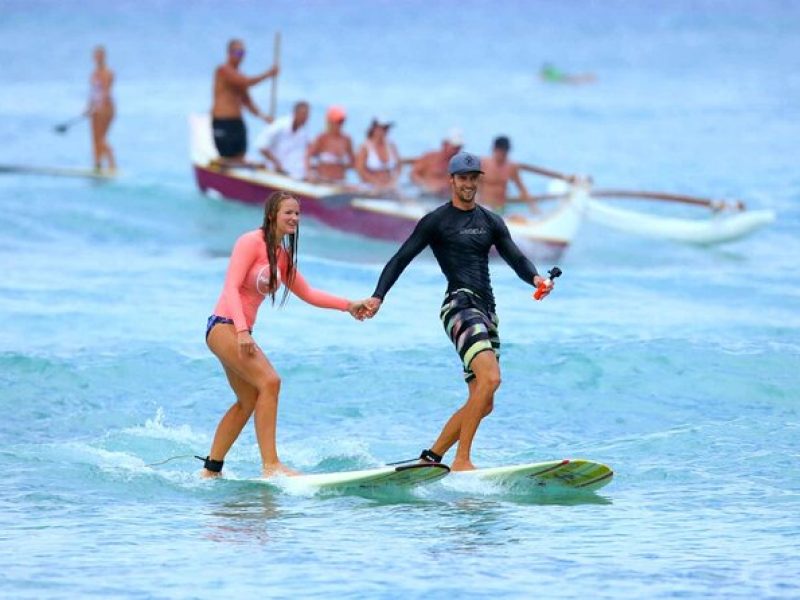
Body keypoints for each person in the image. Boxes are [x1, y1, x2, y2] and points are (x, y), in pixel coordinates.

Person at [363, 151, 556, 471]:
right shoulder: (436, 221)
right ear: (452, 181)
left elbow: (516, 259)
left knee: (484, 399)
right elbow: (400, 259)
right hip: (459, 306)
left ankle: (432, 457)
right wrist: (378, 296)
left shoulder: (491, 221)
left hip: (487, 311)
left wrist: (535, 278)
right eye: (462, 178)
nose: (468, 184)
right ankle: (462, 459)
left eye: (473, 178)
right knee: (491, 379)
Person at [198, 191, 369, 478]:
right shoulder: (250, 242)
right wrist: (241, 331)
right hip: (224, 325)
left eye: (297, 214)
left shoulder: (282, 256)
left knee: (248, 400)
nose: (294, 218)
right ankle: (271, 465)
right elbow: (230, 287)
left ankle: (211, 469)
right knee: (270, 381)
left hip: (239, 331)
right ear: (272, 215)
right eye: (288, 213)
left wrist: (348, 305)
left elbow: (309, 293)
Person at [212, 39, 279, 162]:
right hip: (222, 121)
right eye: (237, 53)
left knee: (240, 156)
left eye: (242, 54)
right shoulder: (223, 70)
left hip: (237, 123)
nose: (240, 57)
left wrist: (264, 117)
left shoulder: (239, 75)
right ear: (229, 53)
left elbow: (247, 101)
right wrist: (268, 74)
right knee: (227, 158)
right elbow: (245, 82)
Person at [256, 101, 311, 180]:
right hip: (273, 175)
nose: (306, 118)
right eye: (304, 114)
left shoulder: (304, 133)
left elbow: (307, 152)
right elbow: (261, 145)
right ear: (295, 113)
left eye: (307, 115)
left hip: (293, 176)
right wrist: (276, 163)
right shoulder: (280, 125)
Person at [479, 136, 531, 213]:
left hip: (500, 208)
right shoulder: (483, 163)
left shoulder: (511, 167)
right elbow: (473, 185)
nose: (503, 156)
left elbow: (521, 188)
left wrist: (533, 207)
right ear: (494, 149)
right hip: (484, 206)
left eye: (505, 153)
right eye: (501, 152)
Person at [306, 105, 355, 183]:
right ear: (330, 122)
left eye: (341, 121)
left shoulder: (346, 139)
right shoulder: (322, 138)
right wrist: (310, 173)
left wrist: (341, 164)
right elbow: (308, 156)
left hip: (340, 181)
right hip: (323, 181)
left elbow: (353, 162)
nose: (339, 125)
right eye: (337, 122)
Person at [410, 129, 464, 197]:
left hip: (446, 198)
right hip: (427, 195)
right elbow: (413, 174)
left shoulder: (460, 165)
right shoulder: (429, 158)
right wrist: (425, 186)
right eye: (454, 147)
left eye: (459, 148)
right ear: (445, 144)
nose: (457, 151)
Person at [87, 45, 116, 172]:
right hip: (95, 108)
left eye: (100, 56)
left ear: (104, 57)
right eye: (96, 56)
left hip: (106, 108)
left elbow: (106, 91)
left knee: (101, 138)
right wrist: (89, 107)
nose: (97, 58)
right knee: (94, 138)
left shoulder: (108, 73)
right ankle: (97, 164)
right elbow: (93, 92)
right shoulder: (93, 74)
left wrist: (99, 106)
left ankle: (112, 164)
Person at [355, 116, 400, 190]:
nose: (385, 131)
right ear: (375, 129)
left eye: (387, 129)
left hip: (389, 186)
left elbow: (398, 166)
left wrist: (393, 179)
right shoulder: (365, 147)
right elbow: (360, 170)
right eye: (383, 128)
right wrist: (375, 182)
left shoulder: (391, 146)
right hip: (370, 187)